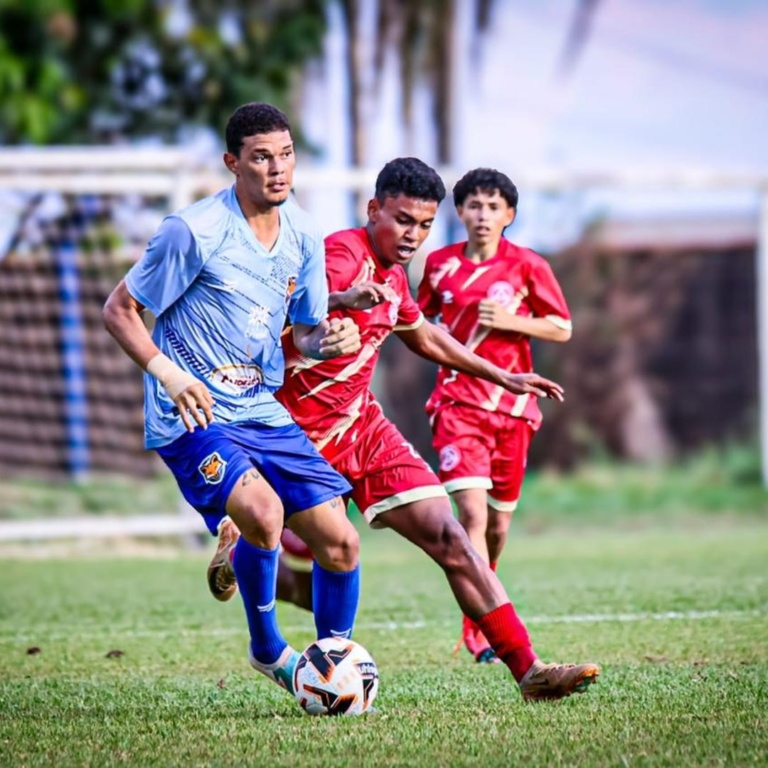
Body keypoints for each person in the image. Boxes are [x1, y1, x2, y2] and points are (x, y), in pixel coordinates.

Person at [207, 157, 600, 701]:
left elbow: (424, 336)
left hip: (363, 427)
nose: (413, 234)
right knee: (311, 554)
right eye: (401, 220)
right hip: (297, 436)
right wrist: (331, 314)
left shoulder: (393, 274)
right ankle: (259, 582)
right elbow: (297, 312)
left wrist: (502, 374)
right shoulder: (344, 255)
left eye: (423, 224)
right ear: (374, 210)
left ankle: (529, 670)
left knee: (452, 537)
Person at [102, 102, 363, 696]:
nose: (278, 169)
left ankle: (331, 671)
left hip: (261, 407)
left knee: (340, 542)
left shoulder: (303, 234)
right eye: (262, 157)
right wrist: (169, 375)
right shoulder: (191, 231)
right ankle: (269, 650)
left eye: (287, 155)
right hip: (194, 412)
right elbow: (119, 311)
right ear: (232, 163)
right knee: (265, 513)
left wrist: (330, 339)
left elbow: (306, 331)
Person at [416, 167, 572, 663]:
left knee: (498, 528)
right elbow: (414, 323)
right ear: (459, 212)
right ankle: (479, 629)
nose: (483, 215)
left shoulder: (528, 265)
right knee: (471, 516)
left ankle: (484, 591)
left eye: (493, 206)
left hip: (513, 408)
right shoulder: (439, 266)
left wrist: (512, 321)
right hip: (457, 404)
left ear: (509, 215)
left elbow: (562, 327)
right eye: (474, 205)